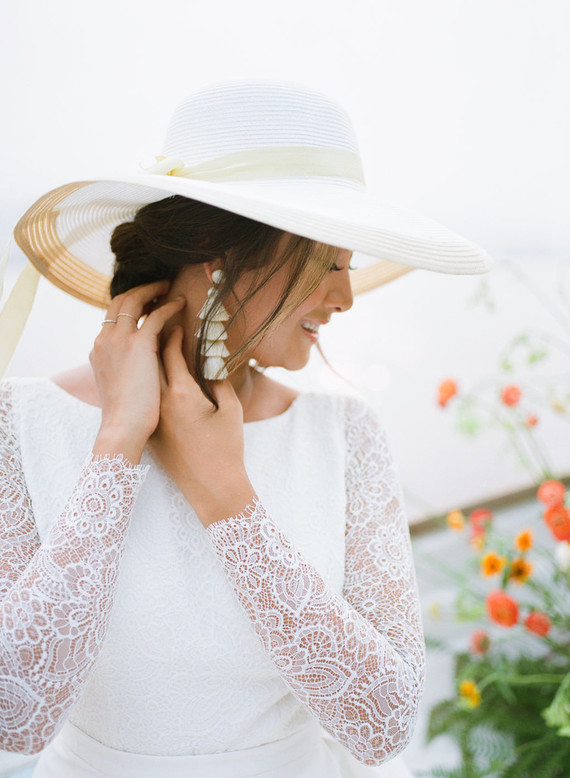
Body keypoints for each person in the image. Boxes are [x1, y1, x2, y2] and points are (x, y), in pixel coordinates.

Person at [0, 81, 493, 778]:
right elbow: (15, 719)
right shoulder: (20, 423)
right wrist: (117, 445)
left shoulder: (344, 434)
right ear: (221, 257)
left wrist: (226, 492)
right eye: (327, 265)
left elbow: (383, 724)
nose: (346, 297)